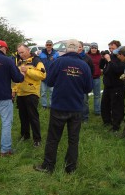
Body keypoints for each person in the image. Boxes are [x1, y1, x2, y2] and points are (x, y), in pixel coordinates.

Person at [34, 39, 93, 174]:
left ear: (66, 49)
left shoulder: (58, 62)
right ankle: (70, 168)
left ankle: (48, 166)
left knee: (53, 137)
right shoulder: (84, 66)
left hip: (59, 106)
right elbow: (88, 88)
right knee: (73, 139)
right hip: (76, 107)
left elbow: (49, 81)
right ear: (79, 49)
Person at [12, 44, 46, 147]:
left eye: (22, 52)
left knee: (33, 117)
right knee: (23, 117)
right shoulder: (19, 61)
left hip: (32, 93)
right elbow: (16, 78)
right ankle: (25, 135)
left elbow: (42, 75)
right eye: (19, 53)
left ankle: (37, 139)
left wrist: (28, 70)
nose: (21, 54)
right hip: (21, 93)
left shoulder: (36, 61)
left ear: (28, 50)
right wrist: (14, 90)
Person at [99, 40, 125, 132]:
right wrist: (103, 59)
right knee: (105, 105)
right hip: (107, 85)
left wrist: (109, 61)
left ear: (118, 48)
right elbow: (101, 66)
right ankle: (107, 122)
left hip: (117, 85)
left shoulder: (121, 57)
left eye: (113, 48)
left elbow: (118, 70)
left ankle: (116, 126)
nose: (110, 50)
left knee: (116, 106)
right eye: (109, 48)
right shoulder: (109, 56)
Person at [39, 39, 59, 109]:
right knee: (43, 92)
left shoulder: (56, 54)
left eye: (50, 45)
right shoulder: (41, 53)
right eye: (47, 45)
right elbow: (38, 63)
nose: (48, 46)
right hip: (43, 75)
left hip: (52, 76)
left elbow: (58, 64)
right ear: (45, 45)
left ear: (52, 45)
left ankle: (51, 105)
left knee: (52, 92)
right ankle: (44, 105)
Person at [78, 41, 94, 123]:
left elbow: (92, 70)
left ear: (82, 47)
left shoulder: (87, 58)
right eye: (77, 47)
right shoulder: (73, 57)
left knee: (84, 101)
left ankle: (85, 118)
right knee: (76, 100)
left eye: (80, 47)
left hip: (84, 83)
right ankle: (77, 117)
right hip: (75, 83)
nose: (79, 48)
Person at [87, 42, 102, 115]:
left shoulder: (100, 56)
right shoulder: (86, 55)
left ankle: (97, 111)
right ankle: (85, 111)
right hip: (88, 78)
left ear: (97, 49)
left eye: (95, 48)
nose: (93, 49)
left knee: (97, 95)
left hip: (97, 78)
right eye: (92, 48)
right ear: (90, 48)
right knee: (85, 96)